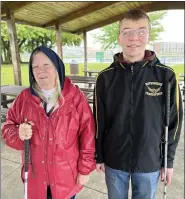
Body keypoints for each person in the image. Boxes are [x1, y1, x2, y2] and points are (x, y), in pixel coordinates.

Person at [93, 9, 183, 199]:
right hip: (114, 160)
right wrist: (99, 155)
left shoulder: (166, 76)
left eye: (141, 31)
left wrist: (168, 161)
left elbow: (174, 123)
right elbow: (98, 121)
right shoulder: (105, 78)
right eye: (127, 31)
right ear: (119, 37)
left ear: (149, 36)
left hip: (149, 162)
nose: (134, 37)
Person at [2, 46, 96, 199]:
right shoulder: (24, 99)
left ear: (57, 67)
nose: (41, 71)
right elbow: (7, 128)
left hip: (66, 178)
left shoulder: (75, 97)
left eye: (46, 65)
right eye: (35, 67)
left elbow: (88, 134)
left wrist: (85, 169)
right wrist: (18, 133)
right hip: (35, 178)